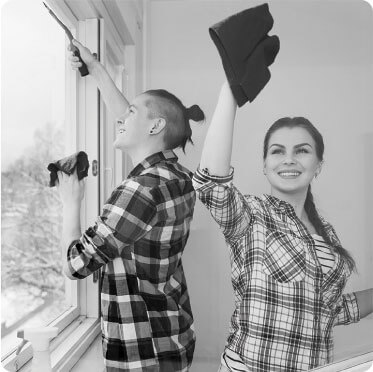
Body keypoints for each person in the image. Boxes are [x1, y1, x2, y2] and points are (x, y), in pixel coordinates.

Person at [192, 81, 373, 372]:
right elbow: (211, 184)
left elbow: (331, 310)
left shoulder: (327, 234)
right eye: (277, 151)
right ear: (265, 164)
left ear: (319, 164)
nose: (289, 159)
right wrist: (231, 89)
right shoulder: (251, 215)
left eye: (302, 150)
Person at [57, 39, 205, 372]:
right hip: (173, 336)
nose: (120, 118)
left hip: (143, 355)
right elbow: (140, 125)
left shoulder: (140, 190)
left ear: (155, 127)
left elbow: (75, 264)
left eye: (131, 113)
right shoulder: (178, 177)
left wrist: (71, 203)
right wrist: (96, 69)